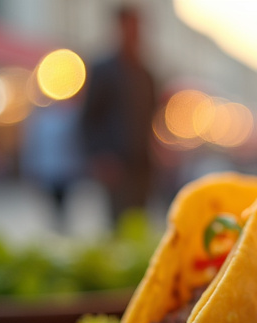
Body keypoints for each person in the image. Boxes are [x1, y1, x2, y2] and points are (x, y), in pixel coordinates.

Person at [80, 6, 157, 224]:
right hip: (116, 164)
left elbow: (152, 118)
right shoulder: (104, 69)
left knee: (140, 221)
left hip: (143, 164)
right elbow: (88, 118)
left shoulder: (146, 73)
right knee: (119, 222)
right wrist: (99, 155)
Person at [20, 99, 83, 232]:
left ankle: (60, 224)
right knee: (54, 201)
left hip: (61, 168)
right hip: (51, 168)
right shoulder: (52, 122)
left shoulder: (42, 122)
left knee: (62, 200)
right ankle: (59, 224)